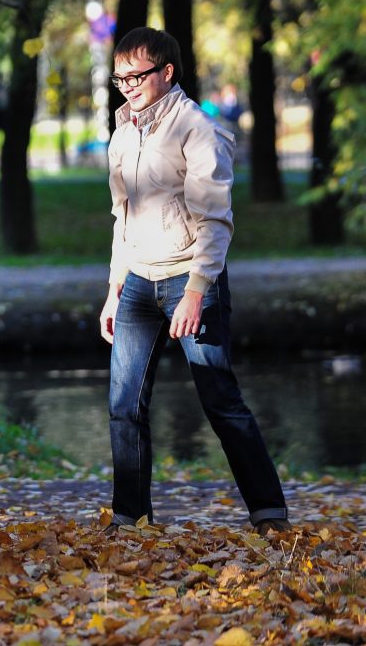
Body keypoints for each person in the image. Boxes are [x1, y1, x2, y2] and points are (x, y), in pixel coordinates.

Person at [98, 28, 290, 536]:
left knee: (220, 401)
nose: (128, 86)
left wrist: (197, 291)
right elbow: (123, 217)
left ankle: (269, 512)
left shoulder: (196, 129)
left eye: (137, 75)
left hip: (190, 277)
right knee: (123, 405)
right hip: (139, 281)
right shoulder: (122, 133)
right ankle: (131, 518)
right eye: (120, 78)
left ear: (166, 72)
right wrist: (114, 290)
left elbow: (216, 220)